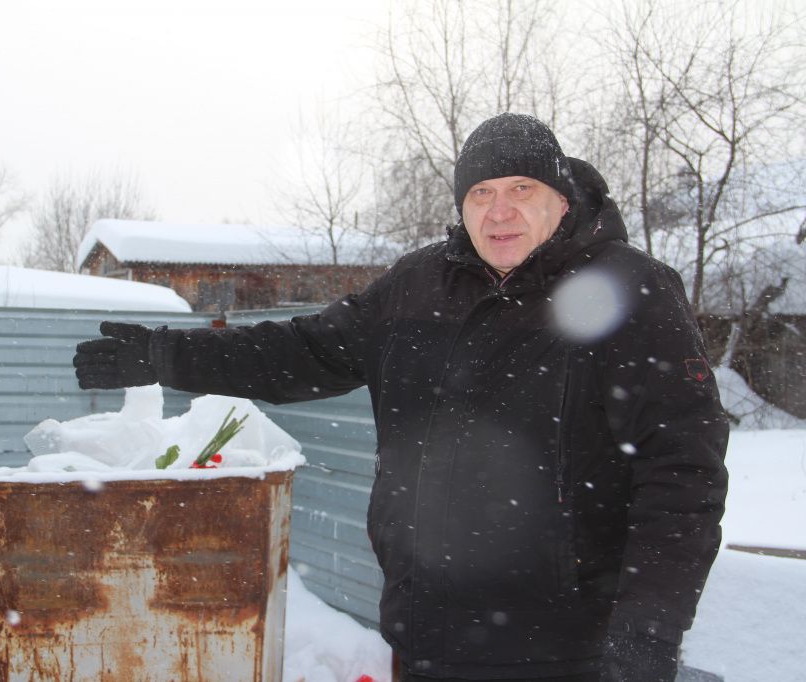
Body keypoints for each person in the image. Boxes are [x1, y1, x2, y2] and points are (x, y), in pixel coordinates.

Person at [74, 113, 729, 682]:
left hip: (570, 652)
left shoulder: (631, 292)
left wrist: (646, 639)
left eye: (521, 190)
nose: (499, 212)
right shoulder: (417, 288)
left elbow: (682, 477)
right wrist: (162, 354)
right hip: (428, 642)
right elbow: (298, 351)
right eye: (481, 194)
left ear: (561, 200)